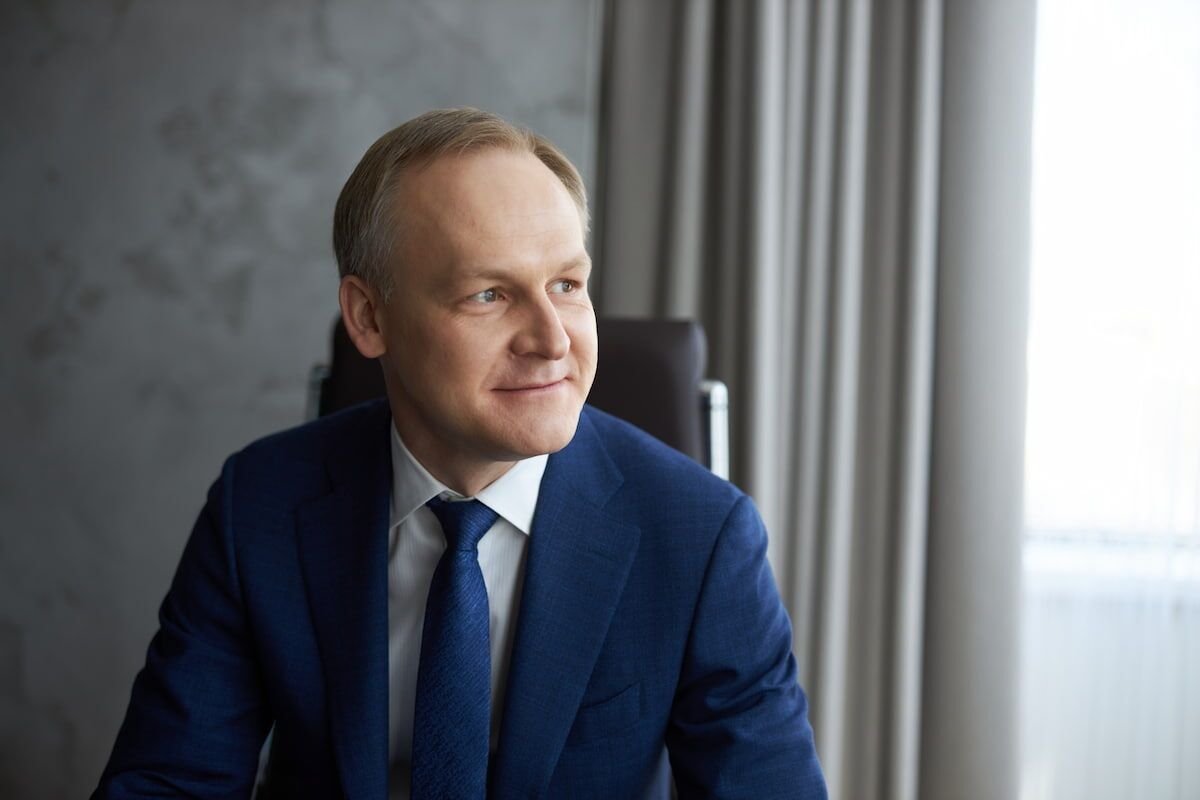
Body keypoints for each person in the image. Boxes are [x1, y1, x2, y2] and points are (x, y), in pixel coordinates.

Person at [94, 108, 827, 799]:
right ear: (369, 316)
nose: (552, 340)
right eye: (488, 295)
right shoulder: (260, 505)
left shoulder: (701, 537)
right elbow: (170, 782)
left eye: (567, 284)